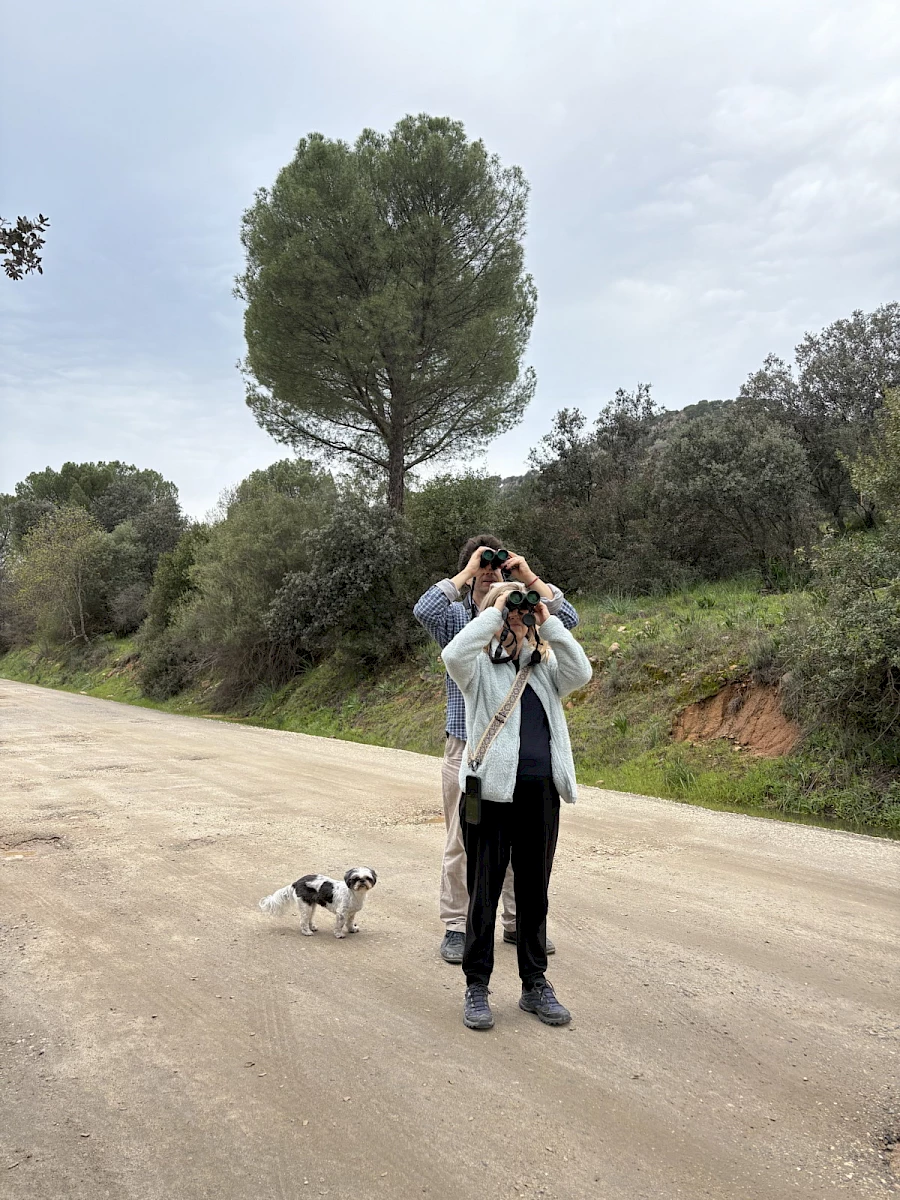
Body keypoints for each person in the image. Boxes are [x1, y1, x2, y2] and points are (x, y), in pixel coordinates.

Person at [413, 537, 579, 964]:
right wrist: (470, 575)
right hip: (468, 746)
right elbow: (424, 610)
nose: (491, 572)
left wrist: (525, 577)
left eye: (496, 567)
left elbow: (570, 618)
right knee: (462, 842)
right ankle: (457, 925)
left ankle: (517, 922)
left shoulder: (523, 611)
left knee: (517, 846)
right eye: (483, 566)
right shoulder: (456, 618)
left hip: (517, 748)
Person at [441, 581, 592, 1030]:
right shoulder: (478, 671)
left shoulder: (543, 666)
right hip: (488, 796)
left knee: (533, 893)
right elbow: (452, 654)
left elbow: (581, 671)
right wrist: (496, 611)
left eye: (521, 610)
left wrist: (548, 621)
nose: (518, 615)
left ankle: (534, 985)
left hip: (540, 793)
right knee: (483, 894)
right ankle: (476, 986)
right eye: (513, 610)